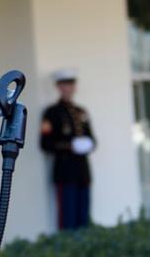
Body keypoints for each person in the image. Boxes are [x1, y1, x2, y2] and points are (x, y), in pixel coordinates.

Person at [39, 69, 95, 230]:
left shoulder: (81, 112)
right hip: (65, 173)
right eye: (64, 84)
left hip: (83, 173)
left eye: (71, 84)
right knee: (68, 222)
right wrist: (70, 146)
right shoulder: (52, 113)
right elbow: (45, 144)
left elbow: (92, 139)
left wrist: (88, 144)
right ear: (58, 87)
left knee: (84, 220)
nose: (68, 88)